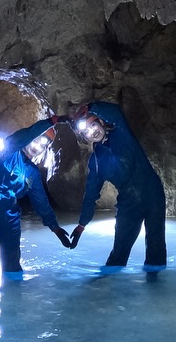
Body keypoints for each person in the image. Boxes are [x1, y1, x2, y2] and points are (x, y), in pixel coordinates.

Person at [68, 100, 167, 268]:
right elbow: (91, 194)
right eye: (87, 132)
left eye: (93, 125)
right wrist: (81, 225)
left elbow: (115, 112)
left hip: (153, 193)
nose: (93, 132)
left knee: (156, 248)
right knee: (119, 251)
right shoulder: (96, 161)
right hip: (129, 202)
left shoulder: (121, 132)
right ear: (85, 138)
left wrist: (90, 108)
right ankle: (110, 286)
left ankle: (156, 287)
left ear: (101, 122)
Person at [0, 119, 72, 277]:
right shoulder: (8, 151)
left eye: (43, 146)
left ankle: (15, 296)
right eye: (36, 141)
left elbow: (41, 202)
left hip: (10, 217)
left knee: (12, 268)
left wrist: (56, 228)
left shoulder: (31, 172)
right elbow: (23, 135)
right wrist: (52, 121)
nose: (38, 147)